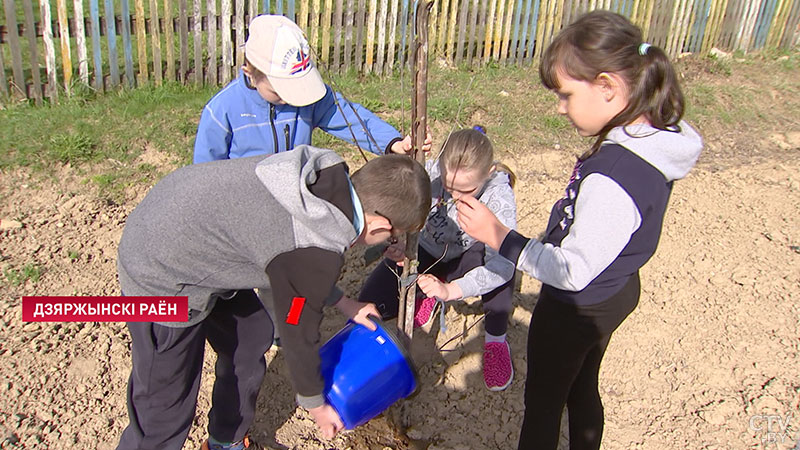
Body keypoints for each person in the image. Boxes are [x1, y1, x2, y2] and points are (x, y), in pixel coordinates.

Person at [455, 11, 703, 450]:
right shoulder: (650, 138)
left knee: (545, 404)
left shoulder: (615, 174)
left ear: (608, 86)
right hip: (616, 289)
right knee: (582, 384)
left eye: (566, 94)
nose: (560, 107)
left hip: (576, 305)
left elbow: (571, 270)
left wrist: (499, 236)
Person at [115, 146, 431, 450]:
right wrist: (316, 403)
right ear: (379, 224)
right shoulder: (313, 248)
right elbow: (296, 329)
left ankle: (226, 440)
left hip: (191, 228)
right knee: (165, 405)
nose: (392, 242)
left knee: (251, 337)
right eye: (393, 236)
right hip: (160, 271)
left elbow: (294, 270)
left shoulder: (323, 180)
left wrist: (345, 303)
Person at [358, 127, 518, 391]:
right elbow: (398, 205)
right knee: (373, 302)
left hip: (469, 258)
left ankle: (496, 339)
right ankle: (429, 292)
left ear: (488, 174)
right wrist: (397, 242)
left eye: (466, 190)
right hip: (427, 251)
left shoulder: (498, 199)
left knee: (501, 277)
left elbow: (502, 266)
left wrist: (452, 290)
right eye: (448, 187)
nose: (454, 198)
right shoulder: (428, 172)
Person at [193, 14, 431, 164]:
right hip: (246, 208)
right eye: (281, 91)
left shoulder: (308, 100)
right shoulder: (222, 110)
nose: (290, 99)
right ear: (251, 74)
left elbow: (351, 119)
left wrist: (393, 142)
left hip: (296, 197)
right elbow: (204, 173)